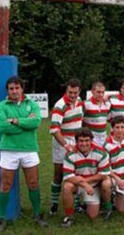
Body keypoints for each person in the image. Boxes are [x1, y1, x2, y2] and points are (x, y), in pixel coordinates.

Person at [0, 76, 48, 232]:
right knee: (6, 185)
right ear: (8, 90)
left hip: (29, 149)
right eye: (11, 88)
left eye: (17, 88)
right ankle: (1, 218)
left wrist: (16, 121)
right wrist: (25, 123)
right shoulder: (1, 106)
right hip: (8, 150)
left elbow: (36, 123)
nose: (14, 91)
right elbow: (2, 128)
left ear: (22, 89)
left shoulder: (32, 104)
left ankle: (37, 214)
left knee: (33, 183)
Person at [61, 128, 111, 227]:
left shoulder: (101, 152)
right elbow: (68, 176)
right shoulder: (70, 154)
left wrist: (86, 182)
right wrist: (84, 184)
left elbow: (103, 174)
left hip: (94, 185)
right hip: (77, 184)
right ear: (76, 142)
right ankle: (69, 216)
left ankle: (107, 206)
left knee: (93, 215)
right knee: (66, 186)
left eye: (87, 140)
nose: (84, 144)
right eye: (81, 141)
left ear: (91, 141)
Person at [49, 78, 84, 215]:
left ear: (79, 91)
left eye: (75, 92)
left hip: (76, 143)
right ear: (66, 90)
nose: (73, 95)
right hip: (61, 143)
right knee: (58, 174)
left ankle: (76, 205)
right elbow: (54, 130)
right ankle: (54, 205)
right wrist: (66, 145)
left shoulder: (80, 101)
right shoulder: (60, 105)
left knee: (76, 173)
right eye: (70, 92)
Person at [83, 81, 111, 146]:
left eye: (102, 92)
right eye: (98, 92)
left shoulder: (107, 104)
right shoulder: (86, 104)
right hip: (91, 140)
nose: (101, 94)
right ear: (92, 91)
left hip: (104, 139)